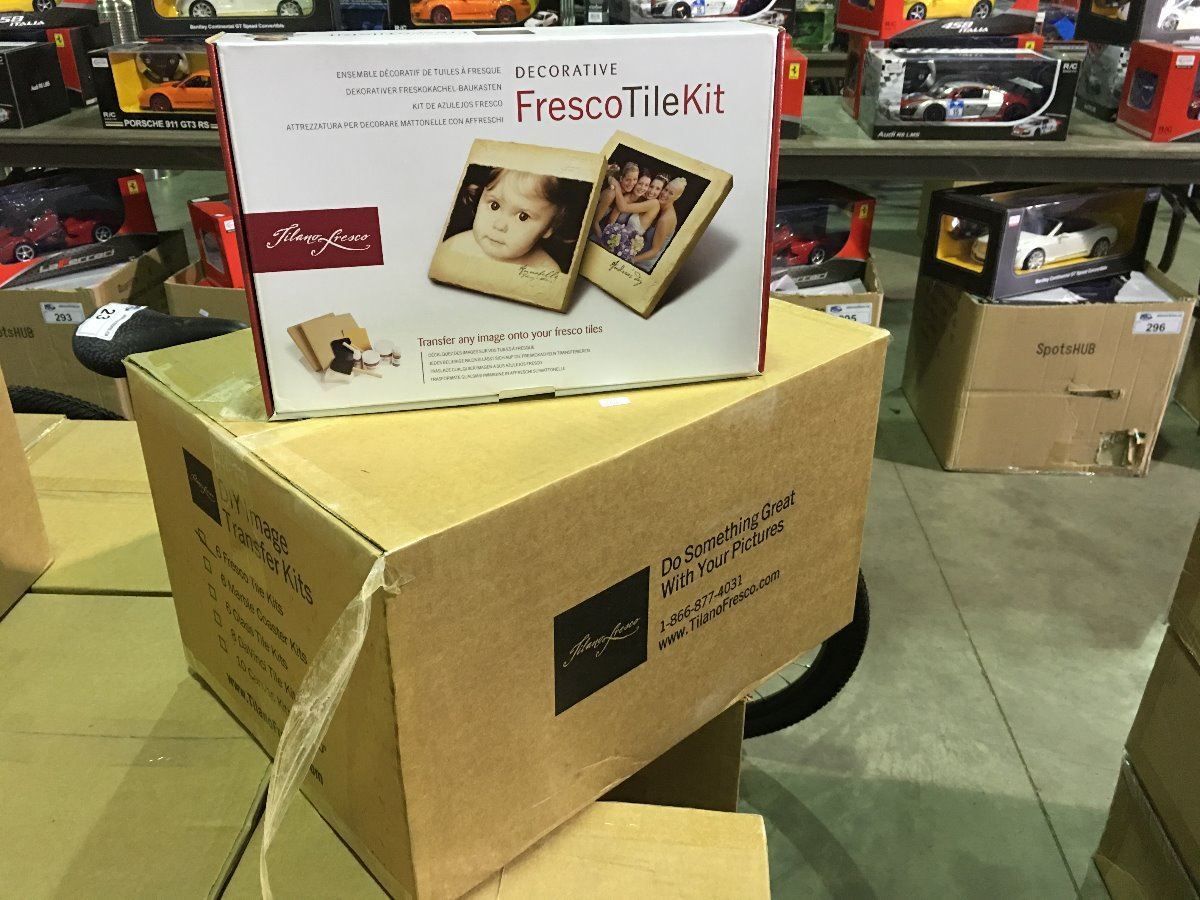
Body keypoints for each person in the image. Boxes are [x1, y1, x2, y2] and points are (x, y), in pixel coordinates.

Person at [439, 167, 571, 271]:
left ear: (549, 227)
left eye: (523, 216)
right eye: (494, 205)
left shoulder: (546, 271)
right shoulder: (455, 248)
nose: (499, 225)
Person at [600, 173, 664, 262]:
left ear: (661, 192)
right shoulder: (642, 200)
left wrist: (617, 186)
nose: (652, 191)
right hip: (617, 241)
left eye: (658, 189)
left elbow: (623, 208)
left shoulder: (654, 203)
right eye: (651, 186)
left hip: (626, 249)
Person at [634, 175, 685, 272]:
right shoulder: (658, 205)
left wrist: (631, 259)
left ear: (676, 197)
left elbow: (655, 251)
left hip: (643, 265)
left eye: (671, 193)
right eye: (665, 189)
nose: (665, 194)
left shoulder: (665, 219)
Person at [592, 162, 639, 241]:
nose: (631, 183)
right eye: (628, 180)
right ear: (621, 178)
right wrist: (603, 241)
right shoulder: (611, 191)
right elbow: (594, 223)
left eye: (635, 179)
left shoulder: (629, 194)